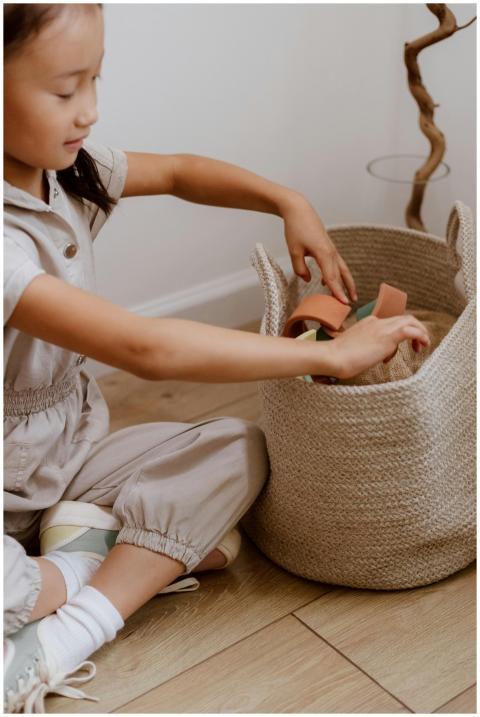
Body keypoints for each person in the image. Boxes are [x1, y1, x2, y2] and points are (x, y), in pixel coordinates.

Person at [3, 3, 431, 712]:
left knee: (237, 447)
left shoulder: (64, 171)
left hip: (69, 450)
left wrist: (285, 199)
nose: (91, 111)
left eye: (96, 80)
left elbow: (177, 172)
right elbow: (145, 347)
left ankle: (66, 601)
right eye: (64, 90)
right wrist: (324, 357)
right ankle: (87, 582)